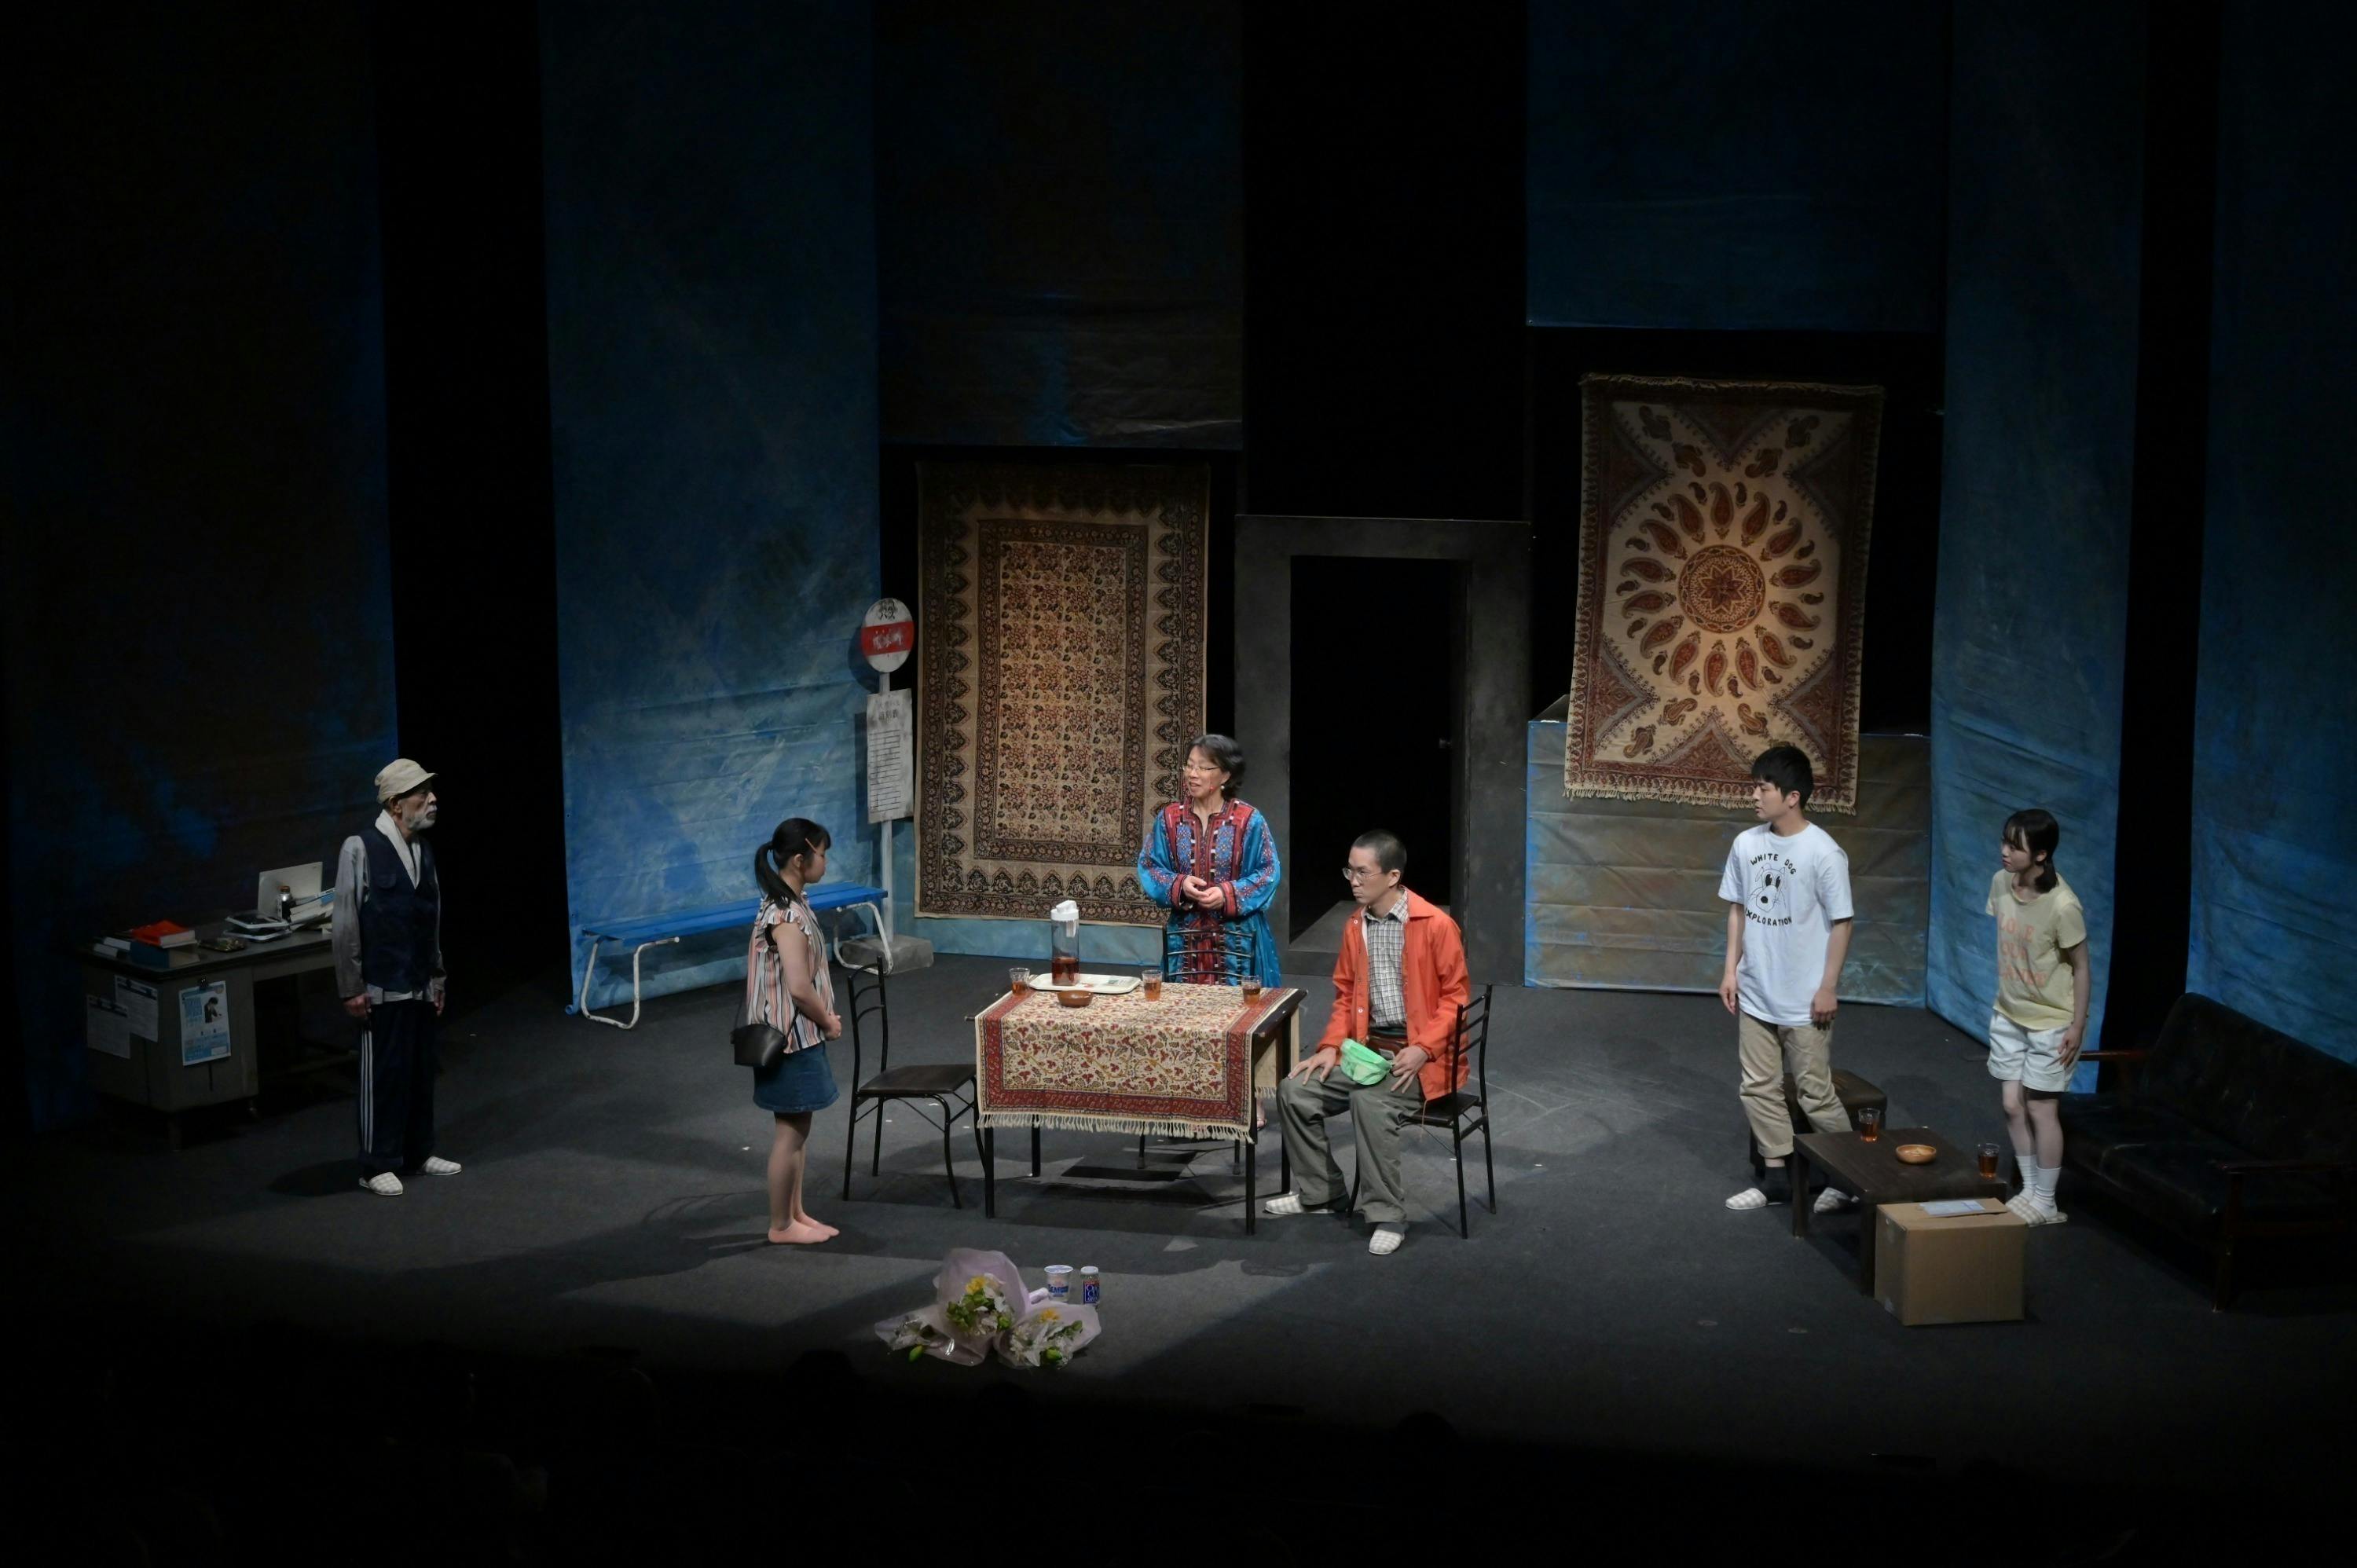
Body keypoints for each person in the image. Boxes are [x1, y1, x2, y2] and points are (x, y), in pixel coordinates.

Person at [1263, 830, 1469, 1256]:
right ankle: (1322, 1193)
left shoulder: (1435, 925)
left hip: (1420, 1059)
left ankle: (1387, 1215)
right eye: (1350, 871)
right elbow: (1346, 994)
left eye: (1363, 873)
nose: (1354, 881)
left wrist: (1424, 1048)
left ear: (1392, 876)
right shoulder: (1356, 925)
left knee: (1369, 1103)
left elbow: (1456, 999)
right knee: (1295, 1091)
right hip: (1367, 1052)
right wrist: (1330, 1047)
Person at [1719, 746, 1857, 1213]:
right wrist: (1730, 971)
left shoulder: (1823, 852)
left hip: (1805, 998)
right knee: (1758, 1086)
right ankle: (1776, 1177)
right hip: (1757, 989)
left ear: (1792, 796)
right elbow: (1738, 910)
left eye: (1764, 788)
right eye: (1755, 787)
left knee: (1815, 1093)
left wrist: (1828, 986)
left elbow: (1842, 923)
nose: (1754, 796)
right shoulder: (1746, 844)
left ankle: (1849, 1177)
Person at [332, 758, 456, 1196]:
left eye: (430, 791)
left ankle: (418, 1153)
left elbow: (432, 918)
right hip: (381, 986)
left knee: (420, 1071)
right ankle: (376, 1163)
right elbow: (346, 922)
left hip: (418, 981)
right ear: (396, 803)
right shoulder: (360, 848)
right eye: (422, 793)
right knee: (383, 1074)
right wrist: (351, 986)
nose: (432, 799)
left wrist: (437, 977)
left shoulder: (423, 850)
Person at [1988, 808, 2090, 1225]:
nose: (2005, 852)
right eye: (2005, 842)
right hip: (2010, 1012)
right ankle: (2030, 1190)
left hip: (2051, 1021)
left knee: (2040, 1109)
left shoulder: (2063, 905)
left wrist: (2077, 1026)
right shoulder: (2001, 882)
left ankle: (2046, 1200)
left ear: (2041, 855)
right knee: (2012, 1105)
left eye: (2015, 847)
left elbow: (2081, 967)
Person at [749, 817, 843, 1245]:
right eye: (823, 854)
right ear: (801, 859)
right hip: (789, 1041)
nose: (826, 862)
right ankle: (781, 1225)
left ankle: (796, 1213)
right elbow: (799, 988)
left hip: (801, 1036)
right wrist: (828, 1020)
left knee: (799, 1128)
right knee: (790, 1134)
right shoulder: (784, 914)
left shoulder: (794, 903)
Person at [1135, 733, 1281, 988]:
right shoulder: (1170, 819)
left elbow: (1269, 872)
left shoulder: (1248, 820)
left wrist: (1227, 893)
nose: (1193, 774)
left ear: (1225, 775)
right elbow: (1149, 866)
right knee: (1183, 1009)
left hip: (1237, 944)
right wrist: (1180, 885)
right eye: (1189, 766)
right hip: (1185, 941)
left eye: (1203, 768)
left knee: (1240, 1010)